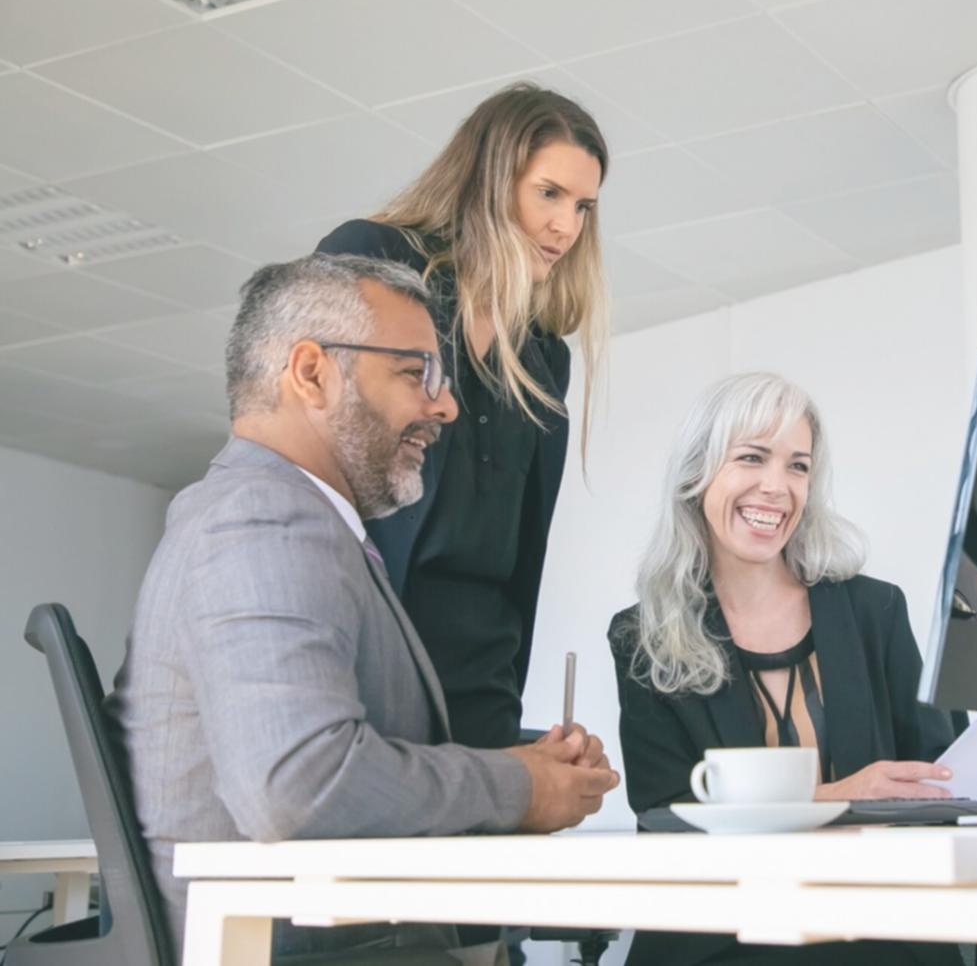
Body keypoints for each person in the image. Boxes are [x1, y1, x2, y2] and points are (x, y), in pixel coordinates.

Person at [107, 254, 618, 963]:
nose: (444, 406)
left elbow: (329, 768)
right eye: (415, 374)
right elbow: (299, 788)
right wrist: (517, 786)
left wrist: (516, 772)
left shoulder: (293, 523)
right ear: (311, 373)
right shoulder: (262, 520)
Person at [609, 373, 977, 966]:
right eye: (752, 458)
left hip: (871, 926)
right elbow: (665, 821)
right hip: (727, 936)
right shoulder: (643, 636)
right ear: (698, 476)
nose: (777, 487)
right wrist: (839, 800)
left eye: (798, 466)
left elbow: (941, 770)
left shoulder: (874, 610)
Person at [315, 82, 608, 750]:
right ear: (489, 179)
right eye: (549, 193)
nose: (567, 227)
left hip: (482, 684)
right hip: (365, 663)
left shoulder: (543, 357)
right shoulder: (376, 260)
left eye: (584, 206)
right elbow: (302, 449)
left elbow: (515, 557)